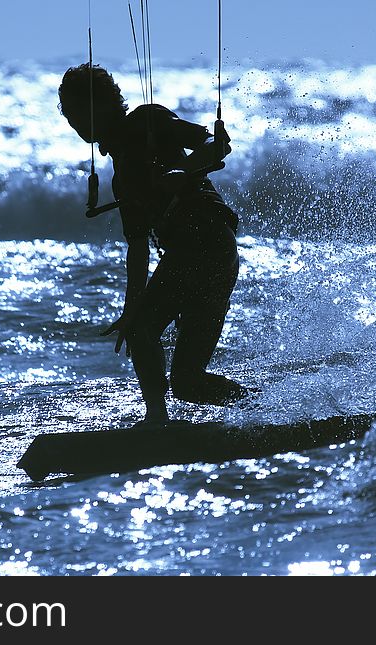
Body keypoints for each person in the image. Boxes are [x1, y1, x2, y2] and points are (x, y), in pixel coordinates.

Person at [58, 63, 249, 425]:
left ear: (102, 104)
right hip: (197, 256)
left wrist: (185, 171)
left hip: (207, 242)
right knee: (188, 384)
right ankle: (266, 411)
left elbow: (216, 144)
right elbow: (138, 247)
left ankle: (156, 423)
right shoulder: (120, 181)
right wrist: (131, 309)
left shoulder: (148, 121)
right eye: (70, 116)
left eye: (80, 112)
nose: (76, 123)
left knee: (143, 330)